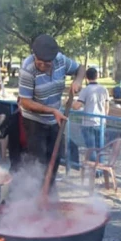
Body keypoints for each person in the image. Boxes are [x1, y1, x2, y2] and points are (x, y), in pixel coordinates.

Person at [17, 34, 84, 186]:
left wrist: (77, 81)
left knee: (55, 158)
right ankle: (35, 196)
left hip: (56, 119)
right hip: (34, 122)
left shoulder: (61, 60)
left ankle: (49, 191)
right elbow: (25, 101)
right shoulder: (27, 69)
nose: (42, 66)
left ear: (53, 59)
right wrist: (52, 111)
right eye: (39, 62)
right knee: (38, 162)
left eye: (46, 64)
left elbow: (81, 68)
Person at [72, 67, 109, 162]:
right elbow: (106, 106)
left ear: (86, 77)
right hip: (100, 122)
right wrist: (104, 119)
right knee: (100, 148)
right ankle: (100, 169)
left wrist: (69, 103)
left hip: (88, 123)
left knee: (91, 148)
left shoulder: (86, 90)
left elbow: (77, 106)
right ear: (97, 76)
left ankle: (94, 169)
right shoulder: (104, 89)